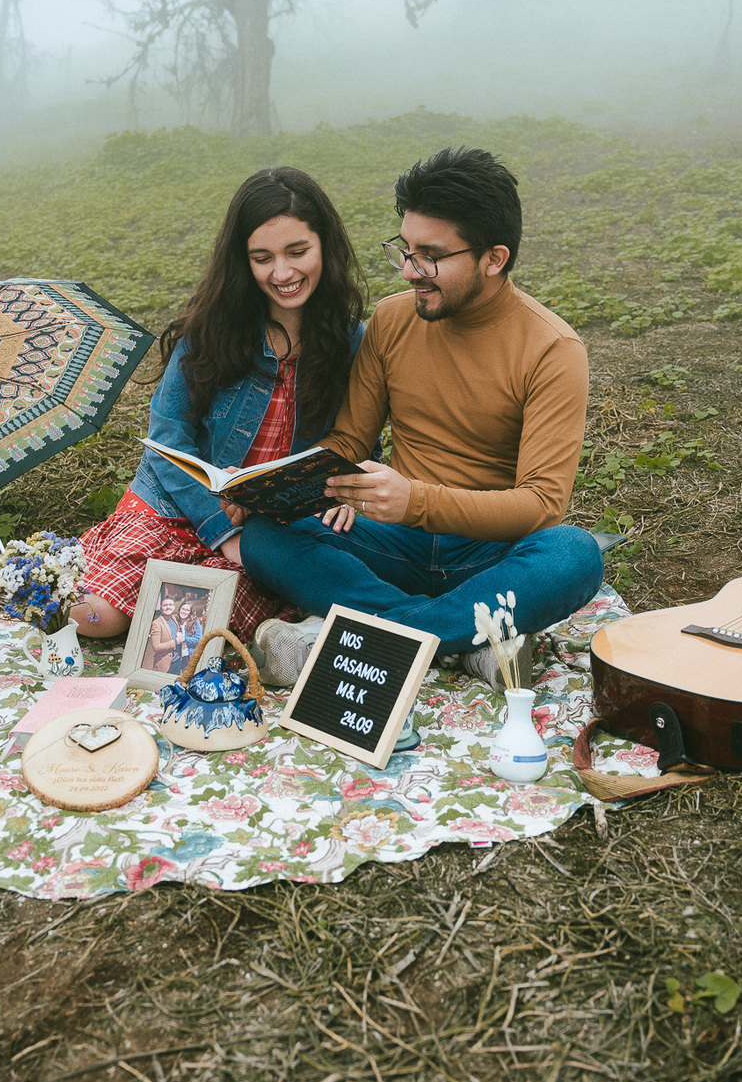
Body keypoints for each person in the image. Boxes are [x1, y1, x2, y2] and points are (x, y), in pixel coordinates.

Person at [240, 146, 604, 687]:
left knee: (573, 554)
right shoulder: (391, 320)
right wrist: (283, 487)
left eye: (430, 256)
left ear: (493, 258)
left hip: (489, 552)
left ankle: (359, 635)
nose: (410, 271)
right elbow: (349, 441)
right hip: (394, 542)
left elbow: (541, 504)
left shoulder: (552, 349)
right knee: (264, 537)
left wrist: (416, 501)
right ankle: (468, 637)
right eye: (405, 250)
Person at [71, 166, 366, 643]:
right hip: (176, 504)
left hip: (266, 527)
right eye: (262, 258)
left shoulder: (350, 340)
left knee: (189, 632)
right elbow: (167, 439)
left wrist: (347, 490)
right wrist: (220, 531)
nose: (282, 273)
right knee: (97, 616)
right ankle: (37, 574)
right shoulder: (212, 329)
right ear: (242, 261)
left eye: (297, 252)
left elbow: (356, 439)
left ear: (325, 246)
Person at [142, 593, 179, 674]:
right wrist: (175, 642)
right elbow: (156, 647)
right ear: (161, 608)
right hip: (164, 665)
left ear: (174, 607)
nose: (168, 607)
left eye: (170, 604)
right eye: (165, 605)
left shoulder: (174, 618)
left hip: (177, 661)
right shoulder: (156, 623)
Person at [169, 598, 204, 676]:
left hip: (188, 656)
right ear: (179, 609)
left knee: (187, 677)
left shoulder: (195, 622)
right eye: (183, 609)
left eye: (187, 610)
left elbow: (198, 639)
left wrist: (184, 638)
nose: (184, 612)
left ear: (190, 612)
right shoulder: (175, 620)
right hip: (176, 656)